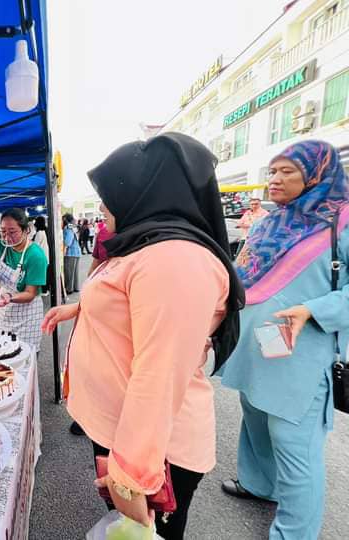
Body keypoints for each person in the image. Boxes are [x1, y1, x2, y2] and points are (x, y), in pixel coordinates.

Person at [42, 133, 244, 540]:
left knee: (144, 534)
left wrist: (130, 478)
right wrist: (82, 306)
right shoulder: (150, 246)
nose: (102, 205)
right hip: (123, 433)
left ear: (145, 192)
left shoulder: (176, 260)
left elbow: (158, 375)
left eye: (109, 193)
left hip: (153, 452)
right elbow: (133, 302)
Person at [219, 141, 349, 540]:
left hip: (302, 355)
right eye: (272, 171)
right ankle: (260, 484)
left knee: (294, 443)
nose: (274, 179)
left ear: (315, 173)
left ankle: (294, 533)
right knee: (255, 416)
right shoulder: (273, 221)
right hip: (257, 347)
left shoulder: (341, 222)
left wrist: (315, 310)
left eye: (286, 171)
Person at [0, 208, 48, 350]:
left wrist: (8, 297)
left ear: (26, 230)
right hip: (4, 311)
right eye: (3, 231)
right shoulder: (2, 245)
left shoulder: (35, 256)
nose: (6, 237)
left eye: (12, 232)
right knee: (2, 355)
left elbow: (30, 293)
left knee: (24, 360)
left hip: (27, 316)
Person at [62, 213, 82, 294]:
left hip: (70, 253)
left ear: (65, 219)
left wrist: (62, 241)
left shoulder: (68, 228)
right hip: (76, 252)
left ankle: (69, 289)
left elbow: (68, 242)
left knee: (69, 272)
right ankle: (76, 287)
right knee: (75, 271)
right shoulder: (74, 226)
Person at [32, 216, 51, 296]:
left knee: (43, 275)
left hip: (41, 257)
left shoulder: (39, 233)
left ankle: (44, 291)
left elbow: (35, 246)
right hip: (45, 256)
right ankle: (46, 290)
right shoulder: (45, 231)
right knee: (45, 274)